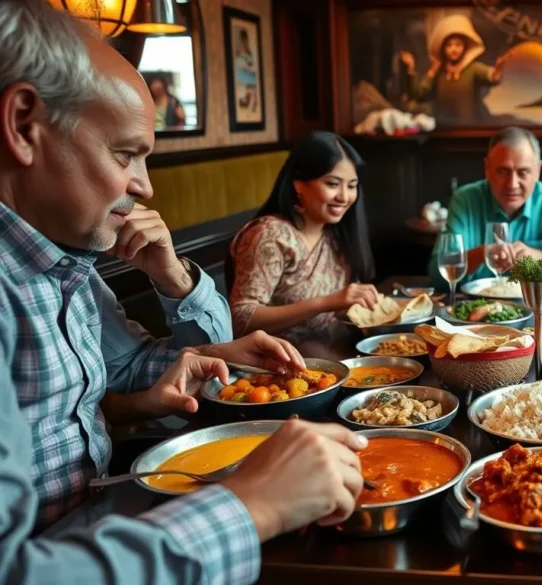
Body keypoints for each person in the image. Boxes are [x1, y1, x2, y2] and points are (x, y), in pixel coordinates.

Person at [0, 3, 364, 583]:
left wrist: (187, 308)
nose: (144, 188)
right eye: (126, 155)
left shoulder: (68, 266)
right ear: (23, 124)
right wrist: (254, 506)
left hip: (114, 513)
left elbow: (139, 371)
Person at [228, 132, 378, 350]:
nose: (344, 197)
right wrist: (326, 302)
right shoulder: (270, 235)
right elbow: (240, 317)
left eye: (352, 186)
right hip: (275, 367)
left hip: (335, 353)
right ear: (299, 184)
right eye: (333, 184)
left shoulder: (335, 234)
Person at [428, 127, 542, 287]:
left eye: (523, 172)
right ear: (487, 168)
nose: (512, 185)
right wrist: (480, 254)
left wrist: (539, 258)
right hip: (473, 305)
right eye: (502, 171)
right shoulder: (465, 200)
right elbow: (437, 275)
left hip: (535, 306)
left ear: (538, 170)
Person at [399, 14, 506, 125]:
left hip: (469, 129)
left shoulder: (473, 68)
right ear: (443, 48)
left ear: (465, 47)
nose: (453, 49)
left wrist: (498, 69)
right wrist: (411, 69)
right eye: (449, 45)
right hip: (443, 129)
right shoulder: (438, 72)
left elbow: (492, 78)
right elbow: (419, 95)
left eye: (458, 44)